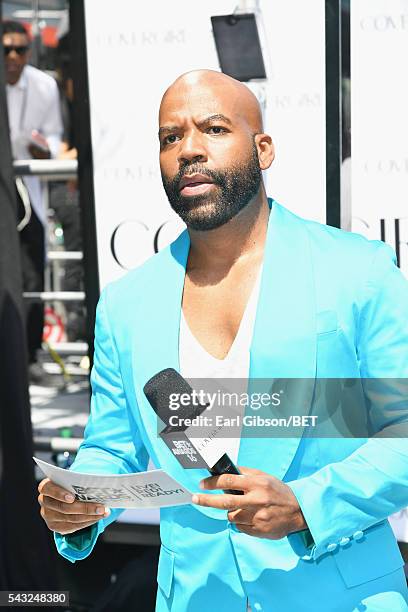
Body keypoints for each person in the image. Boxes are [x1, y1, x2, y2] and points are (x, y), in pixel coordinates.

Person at [38, 70, 408, 611]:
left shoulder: (359, 272)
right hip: (194, 597)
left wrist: (308, 504)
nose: (188, 149)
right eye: (170, 137)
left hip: (339, 595)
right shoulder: (127, 303)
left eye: (212, 128)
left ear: (263, 149)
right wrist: (82, 496)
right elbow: (113, 446)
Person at [3, 20, 63, 384]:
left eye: (20, 49)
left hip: (29, 194)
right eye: (5, 49)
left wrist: (44, 149)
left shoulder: (44, 86)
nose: (12, 57)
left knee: (31, 275)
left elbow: (55, 139)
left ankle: (28, 357)